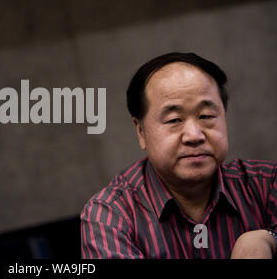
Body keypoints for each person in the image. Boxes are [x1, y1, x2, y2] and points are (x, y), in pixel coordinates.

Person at [80, 52, 276, 259]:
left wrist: (270, 238)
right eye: (174, 120)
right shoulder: (110, 215)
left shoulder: (266, 184)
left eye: (206, 116)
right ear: (141, 131)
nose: (194, 135)